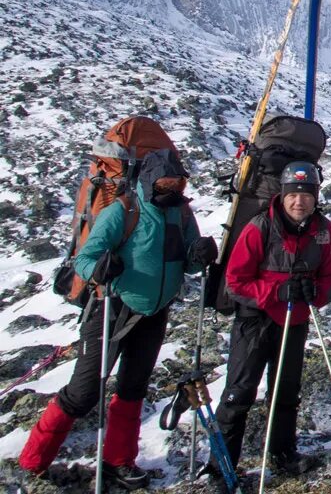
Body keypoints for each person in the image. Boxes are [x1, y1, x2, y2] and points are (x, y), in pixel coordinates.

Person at [20, 148, 217, 490]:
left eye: (179, 183)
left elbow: (187, 262)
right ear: (149, 181)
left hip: (154, 314)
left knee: (132, 389)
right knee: (82, 393)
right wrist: (98, 270)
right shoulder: (123, 211)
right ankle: (32, 461)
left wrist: (199, 257)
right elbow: (87, 257)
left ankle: (118, 461)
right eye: (168, 183)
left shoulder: (182, 215)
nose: (175, 190)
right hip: (112, 310)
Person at [211, 161, 331, 477]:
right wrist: (277, 291)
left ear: (315, 197)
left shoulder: (324, 232)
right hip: (254, 321)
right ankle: (222, 468)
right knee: (239, 393)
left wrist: (315, 291)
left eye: (306, 194)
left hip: (294, 322)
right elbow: (236, 281)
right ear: (283, 195)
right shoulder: (260, 227)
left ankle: (282, 454)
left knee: (286, 392)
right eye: (293, 194)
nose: (299, 201)